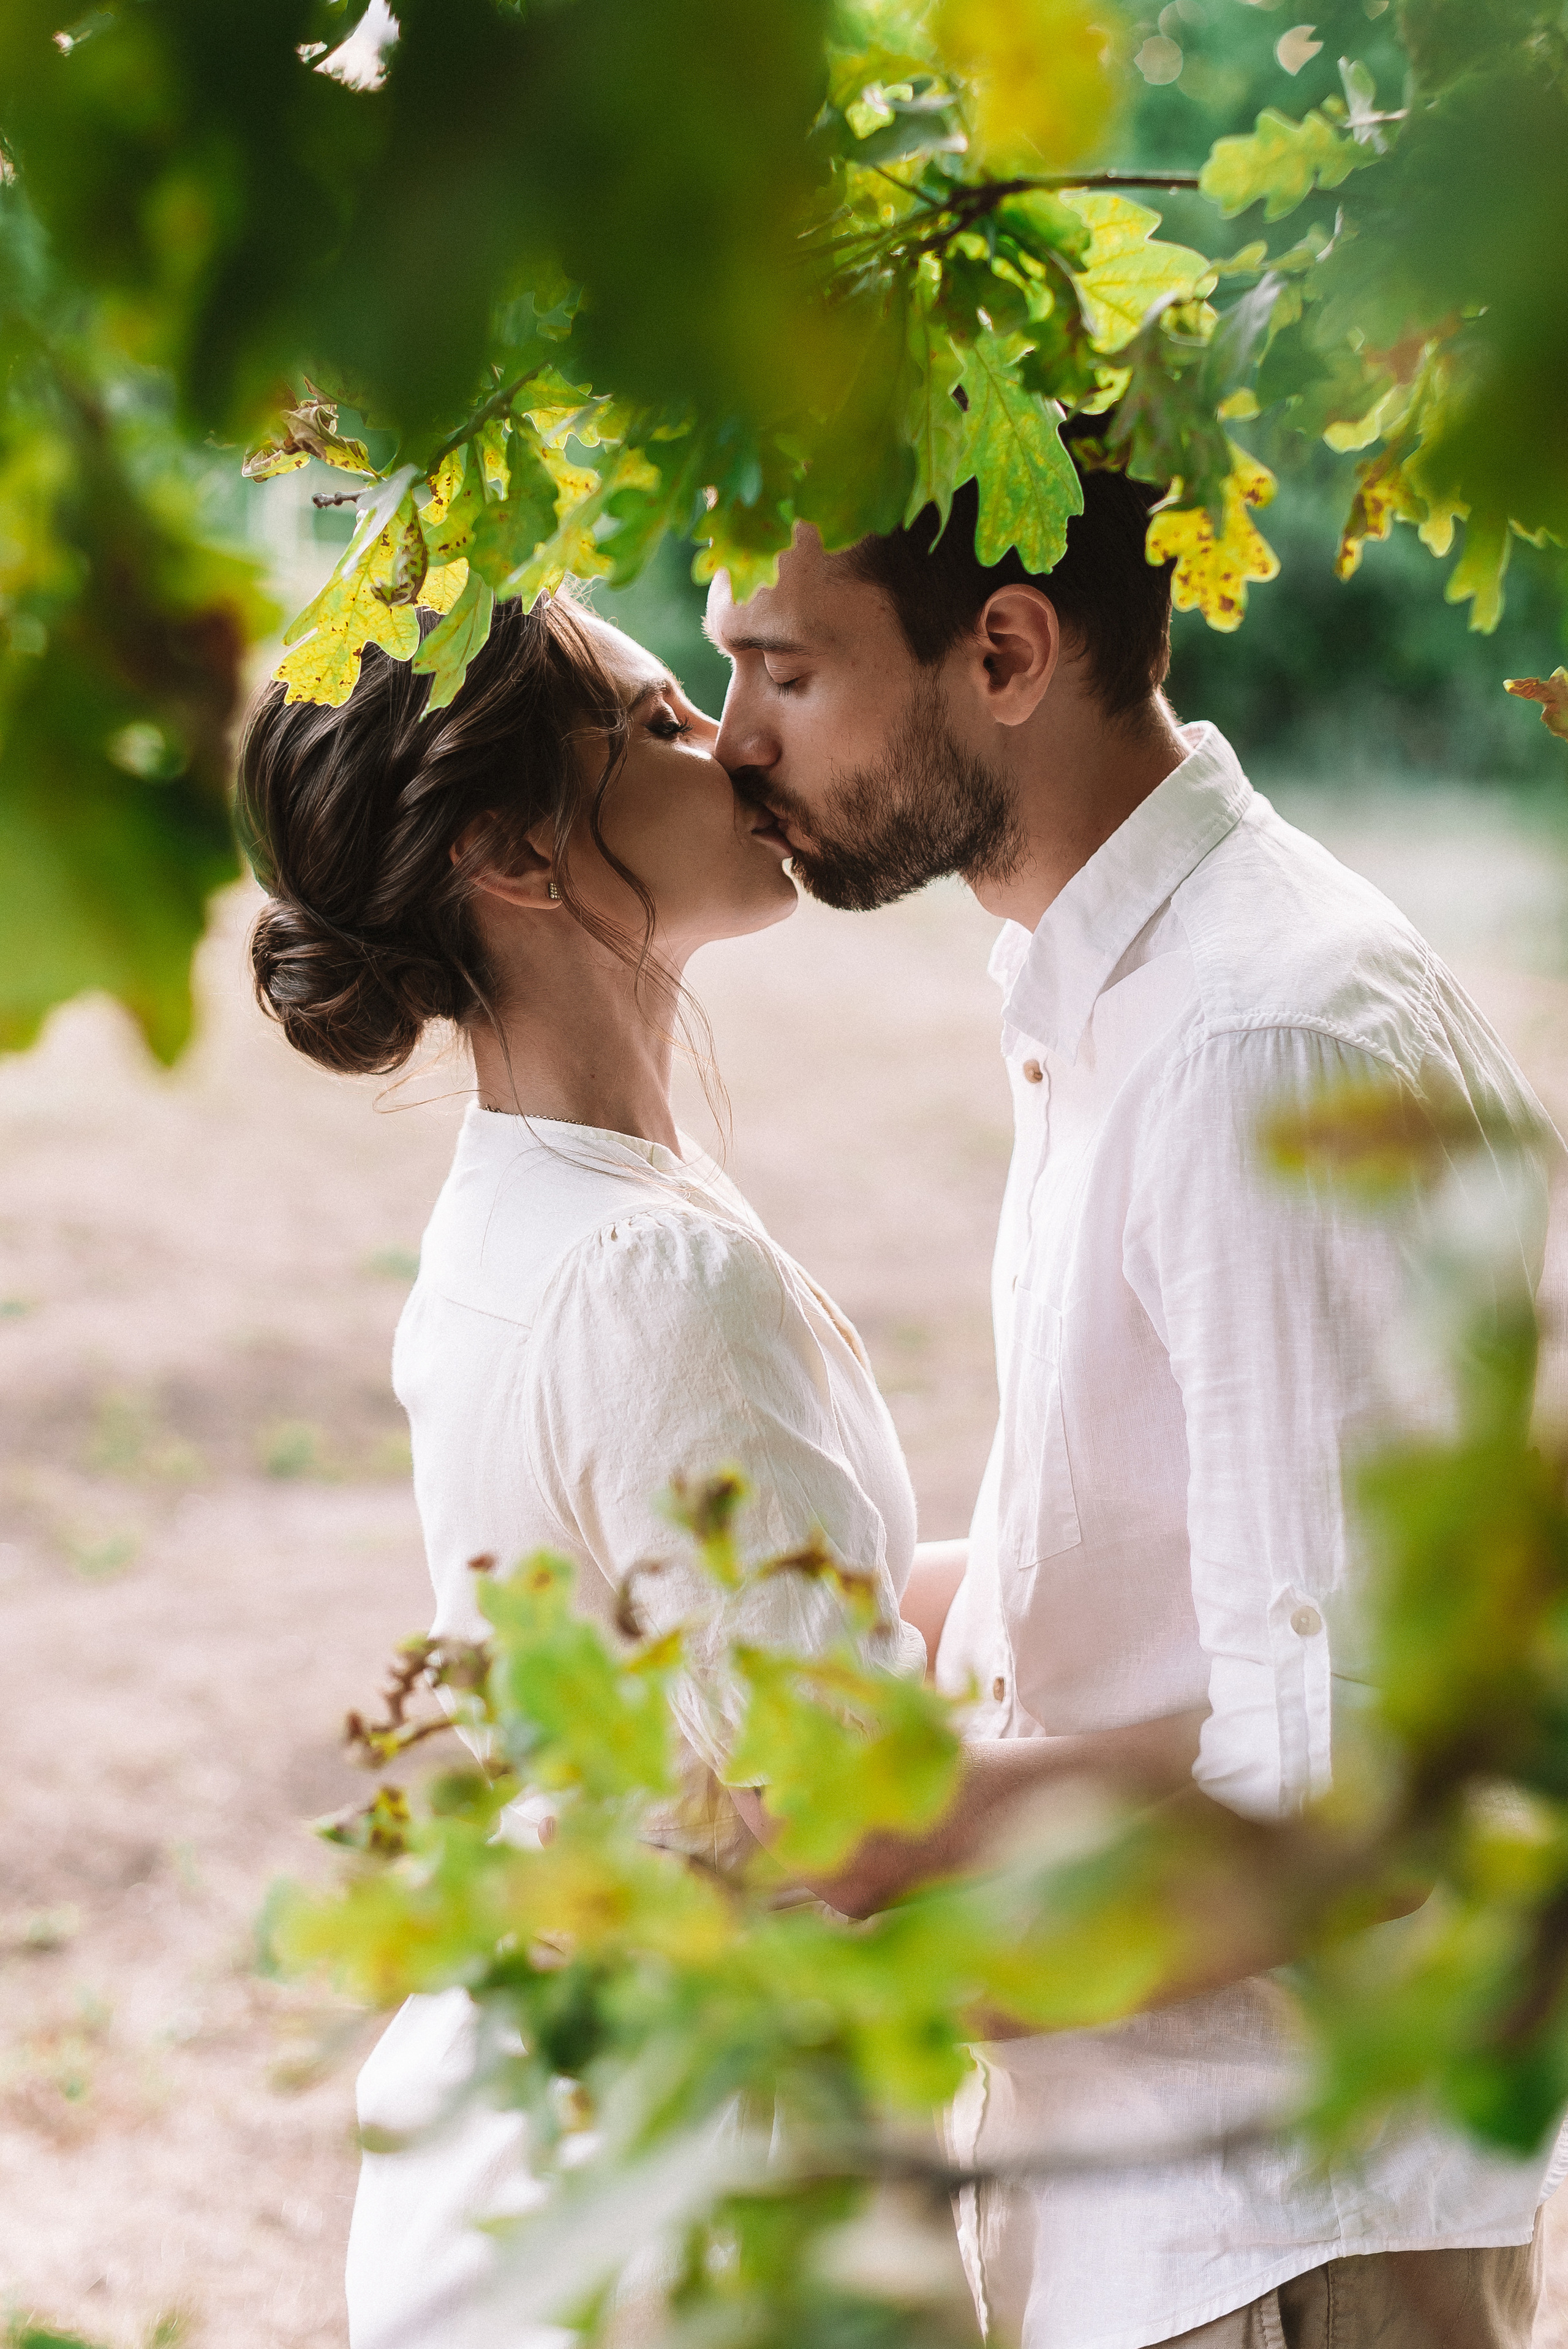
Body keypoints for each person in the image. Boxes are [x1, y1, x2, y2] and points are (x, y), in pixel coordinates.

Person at [234, 591, 1200, 2349]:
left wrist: (1175, 1568)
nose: (739, 743)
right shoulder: (652, 1277)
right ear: (521, 850)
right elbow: (846, 1816)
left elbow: (740, 1640)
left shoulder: (531, 1212)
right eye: (666, 718)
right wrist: (1268, 1731)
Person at [703, 450, 1566, 2349]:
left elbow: (1366, 1793)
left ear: (1007, 649)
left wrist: (871, 1917)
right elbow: (1158, 1576)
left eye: (786, 671)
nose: (729, 740)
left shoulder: (1257, 1049)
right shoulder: (1126, 995)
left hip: (1281, 2230)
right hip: (1181, 2220)